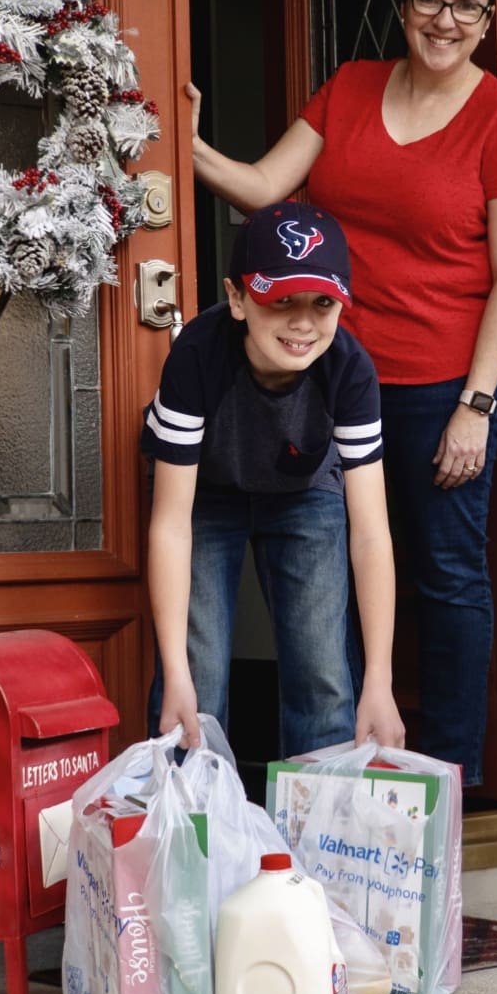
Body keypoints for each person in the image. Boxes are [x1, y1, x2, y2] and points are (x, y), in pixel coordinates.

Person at [183, 0, 497, 789]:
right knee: (325, 573)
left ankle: (448, 783)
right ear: (404, 3)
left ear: (487, 23)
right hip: (331, 377)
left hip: (440, 390)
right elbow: (268, 185)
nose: (443, 20)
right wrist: (184, 143)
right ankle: (341, 782)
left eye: (465, 6)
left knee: (446, 577)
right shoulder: (349, 88)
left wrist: (478, 403)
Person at [142, 200, 405, 757]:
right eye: (280, 301)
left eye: (323, 303)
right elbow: (170, 525)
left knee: (323, 670)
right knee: (197, 668)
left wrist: (379, 678)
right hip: (206, 498)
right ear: (237, 298)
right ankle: (191, 825)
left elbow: (371, 532)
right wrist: (174, 671)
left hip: (304, 491)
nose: (304, 322)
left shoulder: (350, 371)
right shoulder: (195, 357)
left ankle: (323, 833)